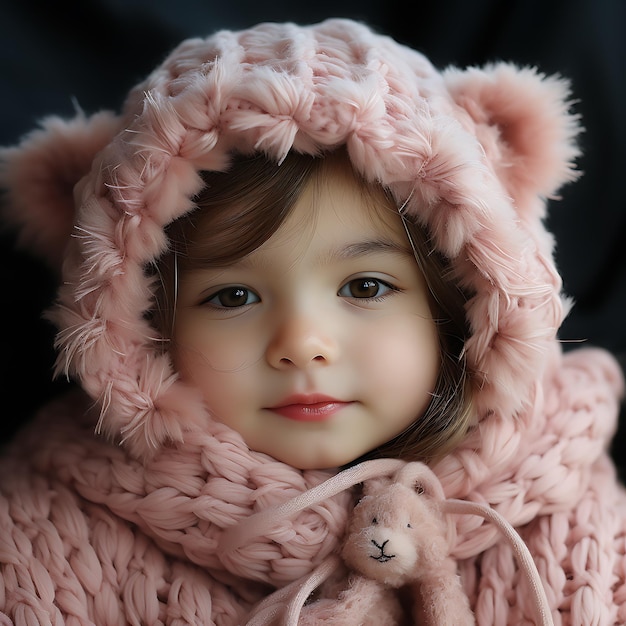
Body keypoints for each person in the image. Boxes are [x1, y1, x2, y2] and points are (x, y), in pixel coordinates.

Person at [0, 17, 624, 625]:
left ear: (464, 307)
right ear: (138, 333)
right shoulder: (40, 536)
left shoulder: (574, 514)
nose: (301, 345)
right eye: (233, 297)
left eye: (366, 285)